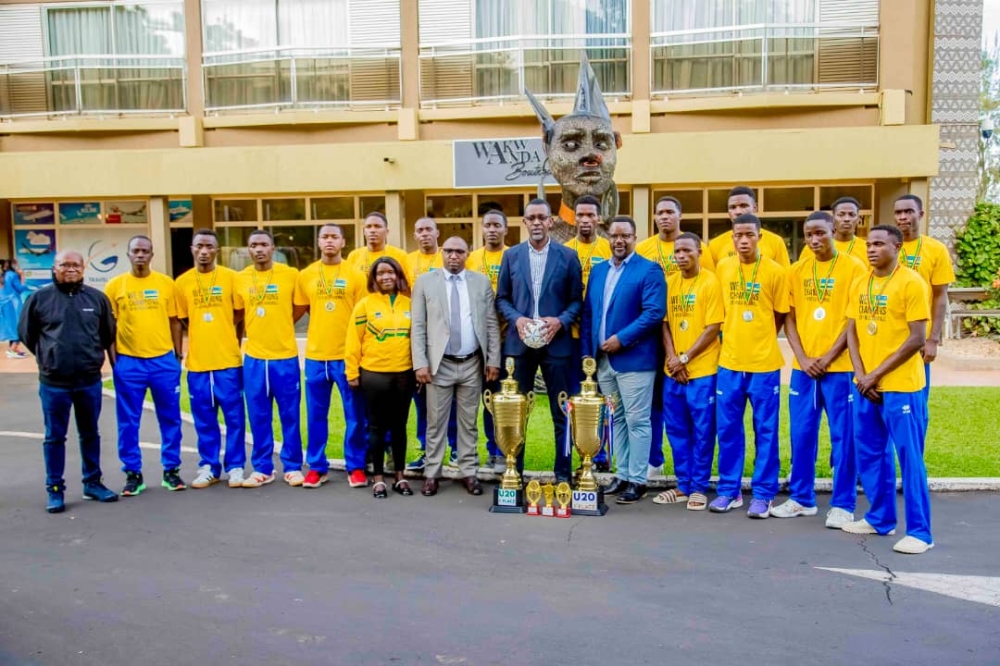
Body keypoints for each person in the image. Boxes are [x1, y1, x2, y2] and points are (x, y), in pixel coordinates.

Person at [771, 213, 866, 526]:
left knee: (843, 437)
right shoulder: (796, 270)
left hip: (840, 368)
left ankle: (842, 503)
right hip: (804, 369)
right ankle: (801, 498)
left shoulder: (854, 267)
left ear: (834, 231)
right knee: (801, 434)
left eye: (820, 233)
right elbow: (790, 318)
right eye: (809, 234)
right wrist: (803, 356)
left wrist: (827, 356)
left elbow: (853, 320)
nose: (814, 240)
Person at [843, 224, 934, 554]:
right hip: (867, 386)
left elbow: (917, 339)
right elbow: (851, 330)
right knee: (870, 453)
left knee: (909, 458)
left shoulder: (912, 282)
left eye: (880, 244)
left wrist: (875, 374)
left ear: (897, 247)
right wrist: (860, 374)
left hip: (901, 386)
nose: (871, 249)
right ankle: (880, 518)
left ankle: (921, 532)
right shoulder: (860, 282)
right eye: (869, 244)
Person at [18, 251, 118, 513]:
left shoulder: (96, 299)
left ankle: (93, 483)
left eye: (76, 265)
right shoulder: (40, 299)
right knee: (54, 437)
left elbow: (107, 334)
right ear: (55, 268)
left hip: (88, 381)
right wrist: (49, 359)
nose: (71, 269)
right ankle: (54, 489)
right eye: (65, 264)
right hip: (54, 383)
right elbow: (27, 334)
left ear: (83, 268)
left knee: (90, 434)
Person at [496, 198, 583, 483]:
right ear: (524, 222)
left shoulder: (568, 257)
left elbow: (575, 302)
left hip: (555, 344)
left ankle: (563, 474)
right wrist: (518, 319)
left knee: (561, 411)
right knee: (516, 412)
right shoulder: (511, 256)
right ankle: (513, 471)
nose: (536, 222)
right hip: (519, 345)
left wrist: (559, 321)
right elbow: (502, 299)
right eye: (530, 218)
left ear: (550, 222)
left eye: (541, 217)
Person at [581, 216, 665, 504]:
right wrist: (588, 355)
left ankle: (638, 479)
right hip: (603, 361)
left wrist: (622, 338)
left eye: (626, 235)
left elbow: (654, 313)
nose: (619, 240)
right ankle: (623, 473)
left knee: (637, 420)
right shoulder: (598, 271)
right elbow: (590, 314)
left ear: (635, 237)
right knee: (616, 419)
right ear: (607, 237)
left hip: (635, 360)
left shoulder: (649, 270)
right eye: (614, 235)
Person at [711, 214, 789, 518]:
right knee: (728, 429)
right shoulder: (723, 268)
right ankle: (729, 491)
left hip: (764, 363)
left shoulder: (775, 271)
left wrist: (761, 337)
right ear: (732, 238)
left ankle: (763, 493)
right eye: (738, 235)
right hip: (729, 361)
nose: (743, 240)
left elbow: (781, 315)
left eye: (749, 235)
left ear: (760, 237)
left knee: (765, 430)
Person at [411, 236, 501, 497]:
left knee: (468, 421)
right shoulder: (426, 282)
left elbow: (491, 324)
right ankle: (432, 473)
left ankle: (468, 472)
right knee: (435, 422)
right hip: (439, 365)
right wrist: (420, 363)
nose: (453, 255)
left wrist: (493, 359)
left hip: (472, 362)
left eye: (459, 251)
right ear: (442, 252)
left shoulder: (480, 282)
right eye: (449, 251)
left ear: (467, 254)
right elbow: (417, 326)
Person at [633, 195, 715, 476]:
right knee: (656, 405)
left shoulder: (701, 255)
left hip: (694, 350)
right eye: (659, 212)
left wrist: (683, 357)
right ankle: (655, 460)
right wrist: (672, 358)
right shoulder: (644, 249)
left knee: (700, 420)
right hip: (656, 342)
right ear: (654, 217)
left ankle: (697, 480)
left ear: (680, 215)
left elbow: (711, 313)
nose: (664, 216)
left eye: (670, 211)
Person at [105, 236, 185, 496]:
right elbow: (110, 328)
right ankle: (133, 473)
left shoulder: (165, 284)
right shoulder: (114, 286)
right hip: (129, 363)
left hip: (163, 361)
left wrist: (177, 356)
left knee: (170, 418)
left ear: (152, 255)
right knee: (128, 421)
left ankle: (171, 470)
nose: (140, 255)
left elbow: (175, 321)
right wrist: (115, 361)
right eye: (135, 251)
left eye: (145, 251)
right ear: (128, 254)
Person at [294, 224, 369, 489]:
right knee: (316, 415)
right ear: (318, 241)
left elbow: (363, 317)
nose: (329, 241)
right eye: (324, 236)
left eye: (334, 237)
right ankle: (316, 466)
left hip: (346, 357)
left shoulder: (355, 276)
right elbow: (304, 309)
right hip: (315, 356)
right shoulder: (306, 275)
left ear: (343, 242)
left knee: (355, 416)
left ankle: (356, 466)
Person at [174, 230, 247, 489]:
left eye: (209, 247)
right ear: (192, 249)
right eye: (199, 246)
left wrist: (229, 340)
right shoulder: (182, 283)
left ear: (217, 250)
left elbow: (239, 314)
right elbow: (184, 319)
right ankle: (209, 466)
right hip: (198, 364)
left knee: (235, 417)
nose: (204, 251)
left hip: (228, 362)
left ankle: (236, 467)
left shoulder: (231, 278)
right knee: (205, 418)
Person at [655, 233, 723, 511]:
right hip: (674, 372)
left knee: (703, 430)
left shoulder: (710, 282)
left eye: (686, 251)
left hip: (702, 370)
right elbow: (665, 324)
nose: (681, 256)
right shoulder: (670, 283)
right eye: (677, 252)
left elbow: (713, 328)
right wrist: (672, 358)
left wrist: (684, 358)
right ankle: (683, 484)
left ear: (699, 251)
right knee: (676, 429)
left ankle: (699, 486)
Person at [233, 230, 306, 488]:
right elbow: (238, 314)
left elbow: (299, 307)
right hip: (254, 358)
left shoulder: (290, 275)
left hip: (284, 356)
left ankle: (293, 466)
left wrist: (283, 325)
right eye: (254, 245)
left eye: (264, 244)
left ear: (273, 247)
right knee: (258, 415)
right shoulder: (240, 279)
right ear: (248, 250)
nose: (259, 249)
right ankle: (262, 468)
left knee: (290, 414)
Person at [345, 257, 415, 499]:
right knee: (376, 427)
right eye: (380, 273)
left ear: (399, 276)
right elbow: (353, 340)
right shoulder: (365, 305)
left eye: (391, 272)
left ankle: (399, 475)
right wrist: (352, 372)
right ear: (373, 279)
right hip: (374, 374)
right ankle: (377, 478)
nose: (386, 277)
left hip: (404, 374)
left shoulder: (410, 304)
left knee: (399, 427)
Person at [404, 217, 458, 472]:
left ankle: (457, 449)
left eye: (428, 229)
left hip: (446, 341)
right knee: (423, 400)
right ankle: (425, 450)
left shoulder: (447, 258)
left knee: (454, 400)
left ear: (437, 233)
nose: (424, 234)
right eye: (419, 230)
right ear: (415, 235)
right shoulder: (407, 261)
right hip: (419, 340)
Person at [564, 194, 612, 473]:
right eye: (579, 215)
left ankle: (601, 451)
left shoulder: (607, 249)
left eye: (590, 215)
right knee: (575, 396)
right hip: (570, 338)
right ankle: (578, 450)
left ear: (598, 218)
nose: (584, 220)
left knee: (602, 396)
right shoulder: (565, 250)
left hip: (600, 338)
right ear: (574, 218)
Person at [893, 194, 955, 407]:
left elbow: (940, 296)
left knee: (915, 401)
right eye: (898, 212)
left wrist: (933, 339)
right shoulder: (884, 246)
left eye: (908, 212)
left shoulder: (935, 249)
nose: (903, 217)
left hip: (917, 338)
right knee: (883, 402)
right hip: (886, 337)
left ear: (920, 214)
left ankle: (913, 440)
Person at [466, 209, 510, 474]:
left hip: (509, 339)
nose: (492, 229)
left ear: (506, 229)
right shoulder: (471, 259)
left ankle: (508, 450)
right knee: (487, 399)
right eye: (488, 225)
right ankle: (492, 450)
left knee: (507, 400)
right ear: (482, 229)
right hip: (477, 342)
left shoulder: (514, 256)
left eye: (497, 225)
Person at [708, 186, 791, 267]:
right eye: (732, 207)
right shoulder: (715, 245)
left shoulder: (775, 242)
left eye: (743, 206)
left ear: (755, 208)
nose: (738, 211)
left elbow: (785, 277)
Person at [345, 212, 413, 285]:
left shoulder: (400, 255)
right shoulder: (354, 256)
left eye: (377, 226)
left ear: (387, 232)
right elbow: (349, 284)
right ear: (364, 231)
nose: (372, 230)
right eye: (368, 227)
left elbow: (407, 286)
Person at [798, 197, 869, 263]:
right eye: (841, 215)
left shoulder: (867, 248)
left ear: (858, 219)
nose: (846, 219)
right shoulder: (813, 246)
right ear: (833, 218)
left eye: (851, 215)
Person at [1, 258, 29, 358]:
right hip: (13, 304)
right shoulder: (13, 275)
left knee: (11, 326)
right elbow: (20, 288)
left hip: (4, 304)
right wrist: (22, 276)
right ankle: (12, 349)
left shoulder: (4, 275)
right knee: (19, 325)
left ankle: (15, 348)